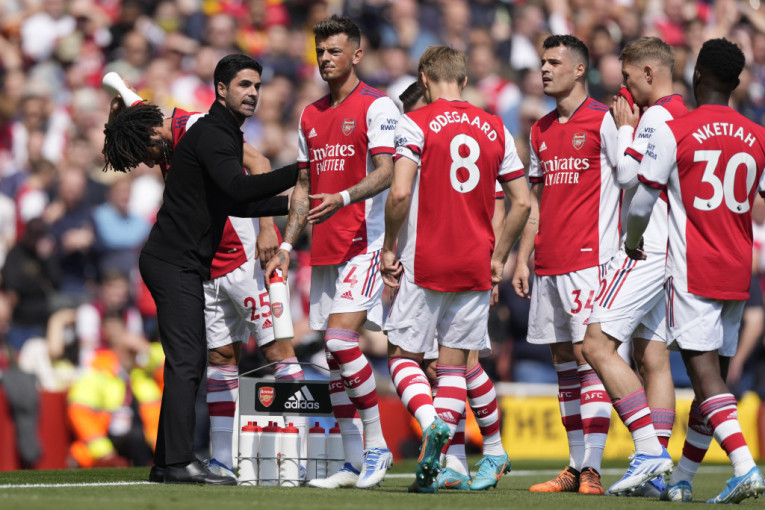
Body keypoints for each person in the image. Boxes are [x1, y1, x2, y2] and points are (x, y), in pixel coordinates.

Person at [102, 72, 305, 482]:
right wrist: (118, 103)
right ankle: (212, 460)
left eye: (145, 154)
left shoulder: (200, 130)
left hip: (242, 259)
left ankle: (297, 456)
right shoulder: (153, 128)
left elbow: (256, 166)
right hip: (201, 264)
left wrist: (268, 228)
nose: (149, 163)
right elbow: (127, 97)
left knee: (276, 350)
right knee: (211, 359)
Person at [381, 45, 530, 494]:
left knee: (402, 357)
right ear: (464, 80)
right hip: (476, 262)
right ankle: (452, 463)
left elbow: (400, 193)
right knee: (453, 369)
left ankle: (433, 425)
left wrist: (388, 247)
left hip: (428, 258)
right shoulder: (496, 126)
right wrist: (499, 256)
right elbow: (523, 202)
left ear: (424, 79)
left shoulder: (415, 122)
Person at [625, 38, 765, 504]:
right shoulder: (758, 134)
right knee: (714, 382)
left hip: (693, 267)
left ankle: (745, 467)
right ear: (737, 82)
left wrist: (631, 239)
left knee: (704, 377)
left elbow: (642, 199)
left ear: (697, 74)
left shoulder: (676, 129)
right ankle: (683, 479)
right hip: (739, 270)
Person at [264, 15, 399, 490]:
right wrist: (286, 243)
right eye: (320, 51)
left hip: (366, 240)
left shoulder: (377, 105)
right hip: (323, 246)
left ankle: (377, 446)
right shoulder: (309, 114)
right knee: (333, 356)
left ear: (357, 54)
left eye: (334, 51)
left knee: (342, 342)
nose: (325, 58)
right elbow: (303, 186)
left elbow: (387, 171)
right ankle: (352, 461)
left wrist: (343, 197)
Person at [512, 34, 619, 495]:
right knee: (562, 364)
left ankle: (592, 467)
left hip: (590, 261)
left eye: (554, 62)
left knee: (588, 357)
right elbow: (534, 202)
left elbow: (629, 182)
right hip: (549, 264)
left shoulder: (605, 120)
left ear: (579, 69)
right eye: (542, 62)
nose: (544, 69)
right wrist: (523, 257)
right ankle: (574, 467)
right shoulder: (539, 129)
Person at [580, 37, 687, 497]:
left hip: (646, 246)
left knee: (596, 344)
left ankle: (648, 451)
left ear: (648, 72)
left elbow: (628, 176)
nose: (624, 89)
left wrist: (626, 128)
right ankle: (655, 476)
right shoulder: (683, 114)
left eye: (627, 77)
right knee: (652, 357)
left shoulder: (656, 117)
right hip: (674, 250)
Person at [67, 313, 160, 468]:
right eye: (128, 350)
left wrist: (146, 349)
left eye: (135, 351)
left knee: (138, 436)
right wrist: (104, 451)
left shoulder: (142, 377)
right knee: (135, 436)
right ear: (115, 348)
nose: (133, 355)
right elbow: (80, 414)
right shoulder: (96, 373)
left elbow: (173, 366)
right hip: (109, 441)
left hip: (145, 442)